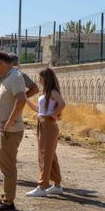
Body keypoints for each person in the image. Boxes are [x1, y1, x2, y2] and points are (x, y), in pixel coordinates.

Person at [0, 53, 38, 180]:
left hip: (6, 117)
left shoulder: (17, 75)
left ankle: (8, 172)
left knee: (6, 145)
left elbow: (34, 88)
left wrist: (18, 101)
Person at [0, 51, 27, 211]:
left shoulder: (15, 76)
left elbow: (22, 99)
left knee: (8, 166)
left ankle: (9, 202)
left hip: (10, 131)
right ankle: (6, 196)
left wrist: (10, 120)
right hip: (4, 130)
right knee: (5, 165)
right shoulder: (8, 77)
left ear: (1, 63)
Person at [25, 68, 66, 197]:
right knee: (50, 155)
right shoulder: (47, 93)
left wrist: (54, 114)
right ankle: (57, 185)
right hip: (43, 123)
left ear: (46, 79)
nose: (39, 80)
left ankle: (42, 186)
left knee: (44, 156)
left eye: (41, 78)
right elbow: (40, 110)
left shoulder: (52, 92)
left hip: (48, 125)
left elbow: (62, 103)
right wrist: (26, 100)